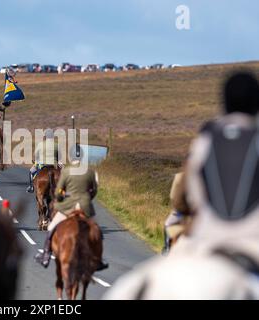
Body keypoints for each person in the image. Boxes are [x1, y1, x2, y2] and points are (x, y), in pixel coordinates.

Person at [105, 71, 259, 300]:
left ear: (224, 103)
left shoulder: (206, 138)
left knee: (130, 287)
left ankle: (167, 251)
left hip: (206, 243)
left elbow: (180, 197)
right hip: (252, 247)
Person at [34, 147, 108, 270]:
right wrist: (87, 199)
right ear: (82, 156)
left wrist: (61, 196)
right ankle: (98, 259)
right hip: (85, 206)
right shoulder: (89, 171)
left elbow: (58, 191)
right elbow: (94, 190)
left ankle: (45, 255)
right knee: (96, 231)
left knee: (52, 227)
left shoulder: (66, 171)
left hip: (69, 206)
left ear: (71, 156)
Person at [26, 129, 61, 193]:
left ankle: (31, 187)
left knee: (31, 172)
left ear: (45, 136)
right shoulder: (57, 145)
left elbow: (35, 155)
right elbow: (60, 156)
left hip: (42, 164)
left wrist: (36, 160)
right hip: (54, 165)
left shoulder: (40, 144)